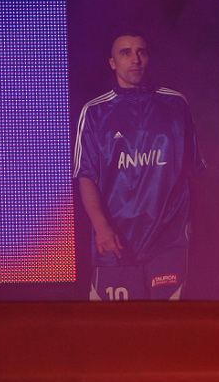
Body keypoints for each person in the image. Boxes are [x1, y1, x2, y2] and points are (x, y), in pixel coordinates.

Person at [73, 34, 205, 300]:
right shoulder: (95, 111)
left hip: (169, 240)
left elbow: (194, 172)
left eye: (141, 52)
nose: (135, 59)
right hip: (117, 240)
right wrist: (101, 227)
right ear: (112, 62)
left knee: (169, 324)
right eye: (125, 52)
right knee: (121, 325)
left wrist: (191, 226)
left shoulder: (175, 104)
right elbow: (86, 176)